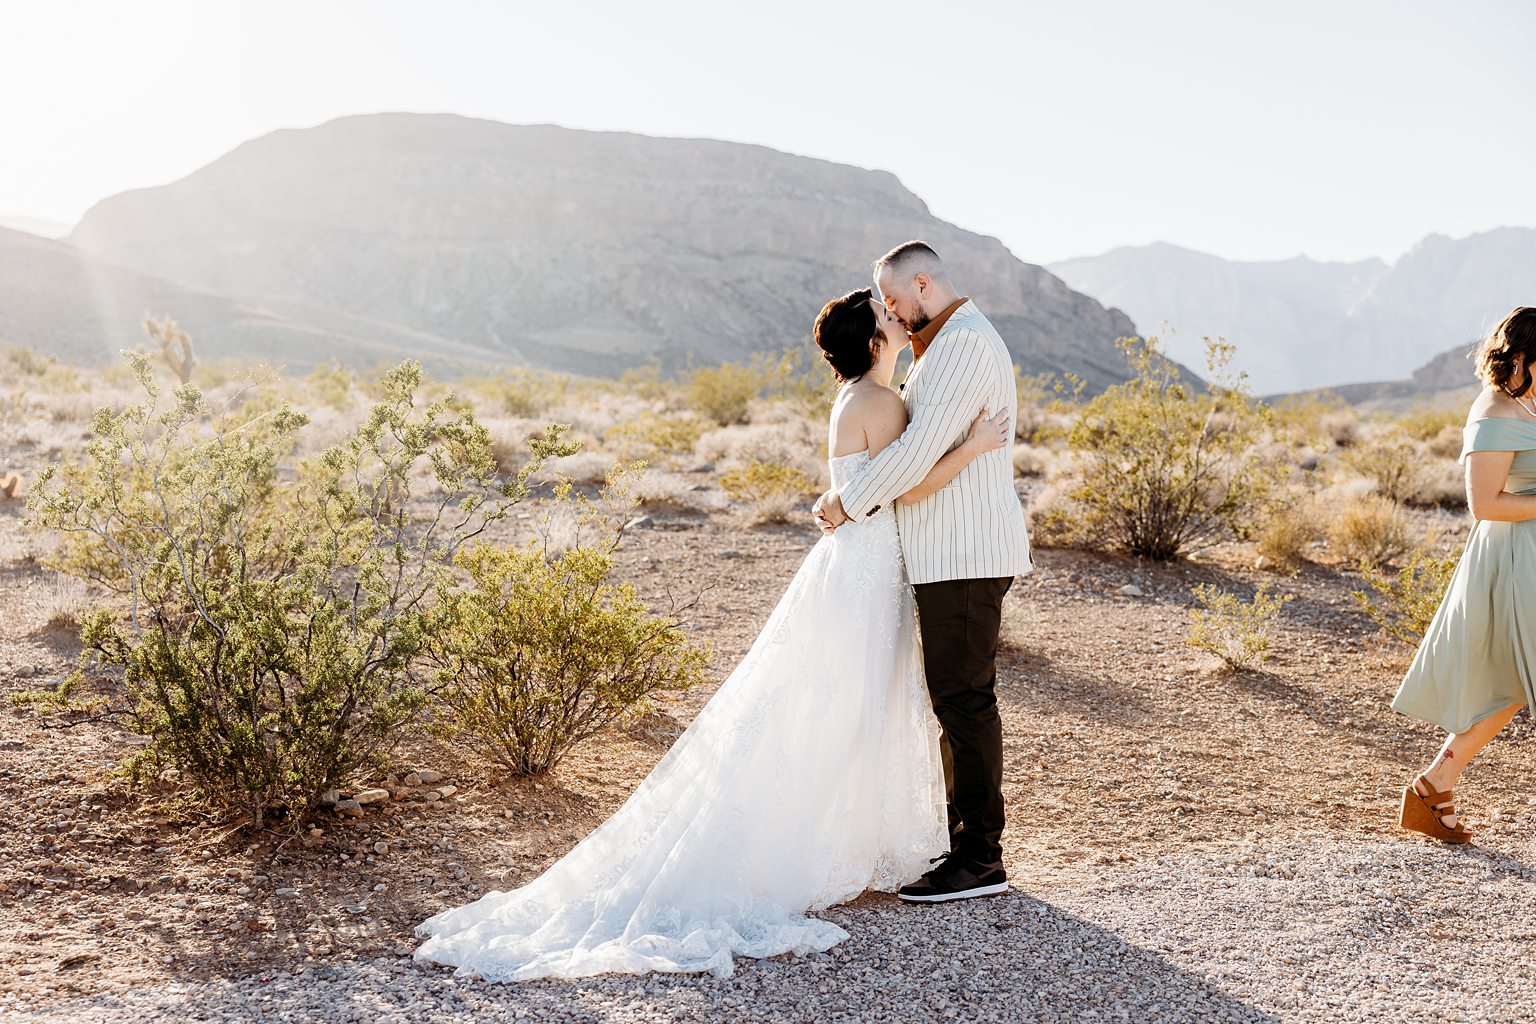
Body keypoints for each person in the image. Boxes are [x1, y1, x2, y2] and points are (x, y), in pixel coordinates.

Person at [413, 286, 1009, 981]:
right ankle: (818, 843)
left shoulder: (853, 398)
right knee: (845, 706)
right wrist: (973, 448)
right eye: (887, 319)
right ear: (874, 343)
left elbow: (873, 483)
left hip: (854, 567)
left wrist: (845, 498)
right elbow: (904, 485)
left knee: (828, 705)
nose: (898, 321)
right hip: (866, 572)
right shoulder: (882, 402)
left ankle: (830, 837)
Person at [814, 240, 1033, 902]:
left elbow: (913, 457)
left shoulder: (963, 342)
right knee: (953, 699)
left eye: (892, 297)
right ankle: (956, 843)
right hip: (945, 556)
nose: (888, 310)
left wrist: (845, 499)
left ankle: (979, 859)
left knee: (964, 702)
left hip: (964, 555)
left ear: (921, 282)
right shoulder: (937, 346)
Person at [1393, 306, 1536, 844]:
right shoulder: (1496, 411)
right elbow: (1486, 504)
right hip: (1515, 560)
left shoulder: (1532, 403)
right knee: (1513, 681)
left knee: (1512, 683)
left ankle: (1434, 785)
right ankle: (1433, 786)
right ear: (1523, 356)